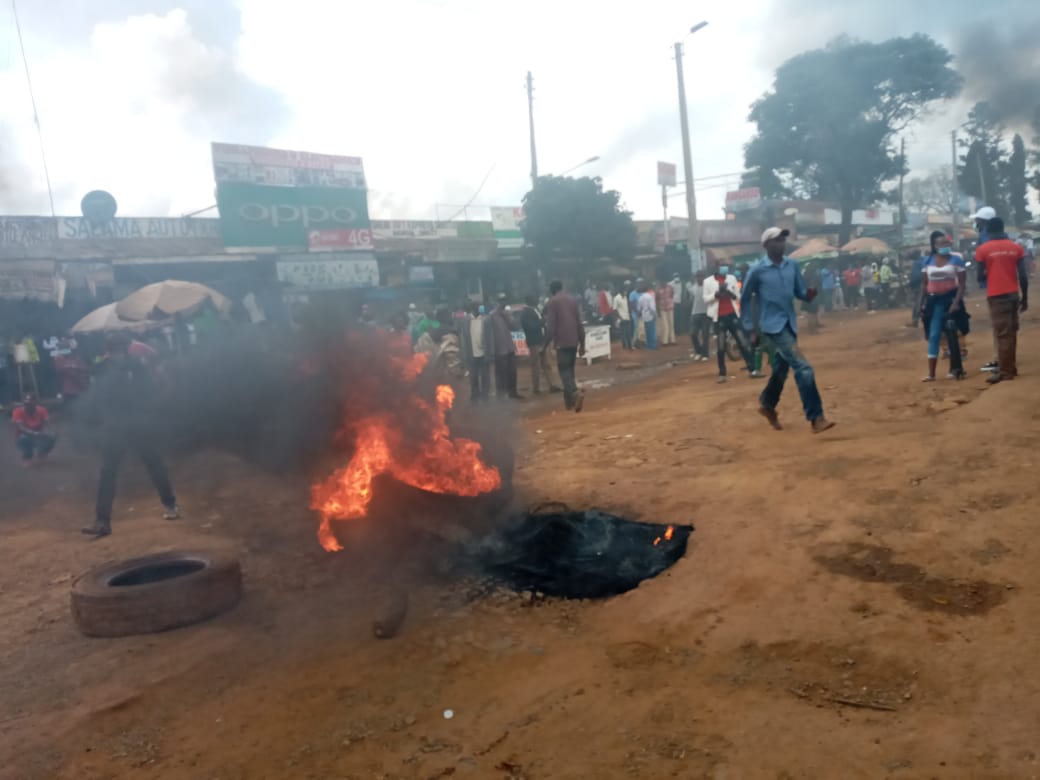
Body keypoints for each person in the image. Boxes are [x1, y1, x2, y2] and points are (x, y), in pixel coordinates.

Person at [82, 334, 179, 538]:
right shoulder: (101, 369)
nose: (117, 351)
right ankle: (102, 521)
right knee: (108, 473)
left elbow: (150, 392)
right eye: (114, 347)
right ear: (108, 349)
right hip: (115, 427)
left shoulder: (137, 367)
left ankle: (170, 505)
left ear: (126, 348)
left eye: (120, 347)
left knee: (154, 464)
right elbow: (95, 396)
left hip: (138, 424)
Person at [741, 227, 834, 434]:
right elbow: (745, 299)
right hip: (772, 326)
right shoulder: (757, 270)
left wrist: (808, 295)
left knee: (781, 369)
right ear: (766, 245)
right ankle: (816, 417)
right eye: (776, 241)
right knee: (804, 368)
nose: (781, 244)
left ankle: (767, 405)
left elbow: (799, 292)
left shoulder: (792, 265)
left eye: (783, 240)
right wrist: (749, 329)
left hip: (789, 324)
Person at [975, 217, 1028, 385]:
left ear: (988, 230)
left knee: (1002, 334)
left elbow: (979, 276)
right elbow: (1023, 275)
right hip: (1013, 294)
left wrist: (989, 272)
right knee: (1011, 332)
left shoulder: (983, 249)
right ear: (1003, 228)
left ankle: (1005, 372)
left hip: (997, 295)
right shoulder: (1016, 248)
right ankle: (1010, 367)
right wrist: (1024, 297)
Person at [918, 233, 967, 382]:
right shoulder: (927, 261)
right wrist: (920, 305)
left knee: (953, 334)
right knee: (934, 335)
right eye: (942, 244)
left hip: (951, 299)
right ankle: (931, 373)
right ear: (935, 245)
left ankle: (955, 368)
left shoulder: (956, 260)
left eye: (947, 243)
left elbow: (962, 283)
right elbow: (924, 285)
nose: (945, 246)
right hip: (934, 302)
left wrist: (956, 302)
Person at [704, 259, 759, 383]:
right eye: (722, 266)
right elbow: (706, 299)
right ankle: (722, 374)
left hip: (732, 314)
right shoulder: (708, 282)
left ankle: (753, 369)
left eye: (726, 266)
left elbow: (738, 296)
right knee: (721, 346)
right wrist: (717, 294)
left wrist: (729, 292)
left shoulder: (732, 278)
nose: (725, 268)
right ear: (716, 267)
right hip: (719, 317)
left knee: (743, 343)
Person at [544, 280, 586, 412]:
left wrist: (544, 345)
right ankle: (569, 404)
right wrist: (582, 344)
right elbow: (579, 324)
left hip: (562, 343)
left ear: (552, 290)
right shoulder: (572, 301)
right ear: (562, 288)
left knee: (565, 372)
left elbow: (551, 328)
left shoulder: (553, 302)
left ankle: (574, 394)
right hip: (574, 341)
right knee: (570, 371)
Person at [973, 206, 999, 373]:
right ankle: (1002, 356)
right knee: (1000, 323)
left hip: (994, 284)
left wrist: (980, 276)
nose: (976, 222)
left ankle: (999, 359)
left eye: (978, 220)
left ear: (985, 221)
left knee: (998, 323)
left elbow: (983, 263)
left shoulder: (987, 238)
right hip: (999, 283)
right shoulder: (999, 238)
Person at [519, 295, 561, 395]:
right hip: (534, 342)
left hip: (541, 341)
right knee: (536, 365)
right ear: (530, 301)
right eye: (534, 298)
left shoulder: (534, 310)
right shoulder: (525, 313)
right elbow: (530, 327)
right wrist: (542, 321)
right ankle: (536, 388)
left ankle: (552, 385)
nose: (536, 299)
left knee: (546, 364)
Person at [488, 294, 522, 399]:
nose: (503, 303)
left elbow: (515, 327)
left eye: (505, 300)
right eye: (501, 301)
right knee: (501, 373)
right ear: (497, 302)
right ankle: (501, 395)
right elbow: (489, 334)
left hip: (509, 347)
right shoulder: (492, 316)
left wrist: (509, 317)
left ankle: (513, 392)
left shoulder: (507, 315)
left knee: (512, 372)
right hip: (499, 349)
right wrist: (491, 351)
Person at [460, 303, 492, 402]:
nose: (478, 309)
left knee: (485, 377)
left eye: (478, 307)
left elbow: (489, 337)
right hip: (471, 354)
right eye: (476, 307)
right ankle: (475, 396)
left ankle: (485, 396)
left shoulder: (485, 320)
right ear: (472, 308)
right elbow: (463, 339)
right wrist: (464, 354)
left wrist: (490, 352)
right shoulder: (465, 320)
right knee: (473, 377)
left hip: (483, 353)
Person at [12, 393, 56, 464]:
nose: (28, 405)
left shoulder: (42, 410)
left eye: (30, 403)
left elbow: (47, 423)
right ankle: (27, 458)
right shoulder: (17, 411)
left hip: (39, 434)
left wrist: (48, 432)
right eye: (26, 404)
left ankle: (42, 454)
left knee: (52, 436)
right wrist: (33, 433)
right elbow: (20, 427)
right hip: (23, 436)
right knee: (24, 439)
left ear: (35, 403)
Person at [688, 271, 710, 362]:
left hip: (706, 314)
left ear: (704, 277)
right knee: (693, 334)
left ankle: (705, 354)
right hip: (695, 313)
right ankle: (698, 352)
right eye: (697, 277)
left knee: (705, 335)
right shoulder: (692, 288)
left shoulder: (708, 288)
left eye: (701, 276)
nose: (699, 278)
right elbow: (690, 300)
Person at [637, 282, 658, 350]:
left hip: (644, 316)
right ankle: (653, 346)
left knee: (647, 332)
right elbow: (652, 308)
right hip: (650, 315)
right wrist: (655, 315)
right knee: (652, 331)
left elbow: (639, 308)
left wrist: (640, 314)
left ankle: (649, 346)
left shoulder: (640, 298)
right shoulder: (650, 297)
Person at [614, 282, 633, 350]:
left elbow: (627, 307)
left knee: (628, 333)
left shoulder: (625, 297)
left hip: (627, 317)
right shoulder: (617, 298)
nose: (626, 291)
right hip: (622, 319)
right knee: (623, 334)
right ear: (622, 290)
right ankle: (624, 347)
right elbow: (615, 310)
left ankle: (630, 346)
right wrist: (620, 318)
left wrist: (630, 315)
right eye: (625, 290)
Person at [657, 279, 676, 345]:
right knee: (665, 325)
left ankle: (672, 340)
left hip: (670, 307)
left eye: (663, 281)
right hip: (662, 309)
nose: (663, 282)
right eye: (661, 281)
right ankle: (665, 341)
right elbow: (657, 298)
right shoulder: (658, 289)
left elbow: (672, 295)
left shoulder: (670, 288)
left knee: (671, 324)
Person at [629, 282, 644, 347]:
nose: (640, 287)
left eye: (640, 286)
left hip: (642, 313)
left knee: (642, 328)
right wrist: (638, 312)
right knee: (636, 328)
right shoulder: (632, 294)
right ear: (636, 286)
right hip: (635, 314)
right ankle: (634, 342)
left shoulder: (643, 293)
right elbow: (632, 304)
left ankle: (641, 341)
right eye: (638, 286)